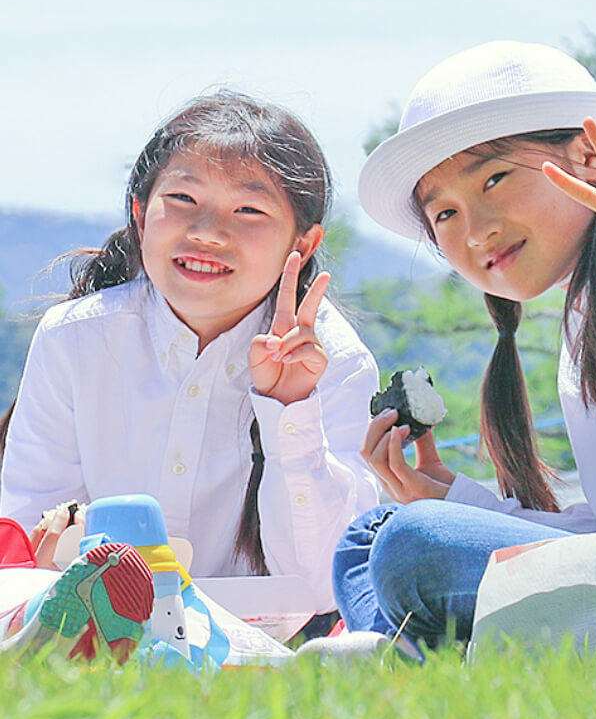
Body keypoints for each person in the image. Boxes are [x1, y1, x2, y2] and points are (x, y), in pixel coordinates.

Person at [334, 39, 596, 650]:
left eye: (494, 179)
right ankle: (410, 651)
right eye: (444, 215)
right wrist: (458, 499)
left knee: (413, 546)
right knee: (375, 532)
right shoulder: (583, 332)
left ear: (587, 157)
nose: (477, 231)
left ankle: (410, 648)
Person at [0, 91, 378, 615]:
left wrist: (290, 410)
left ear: (304, 244)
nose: (207, 233)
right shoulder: (75, 339)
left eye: (249, 210)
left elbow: (322, 585)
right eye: (182, 200)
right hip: (97, 635)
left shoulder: (332, 361)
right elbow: (26, 540)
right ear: (139, 212)